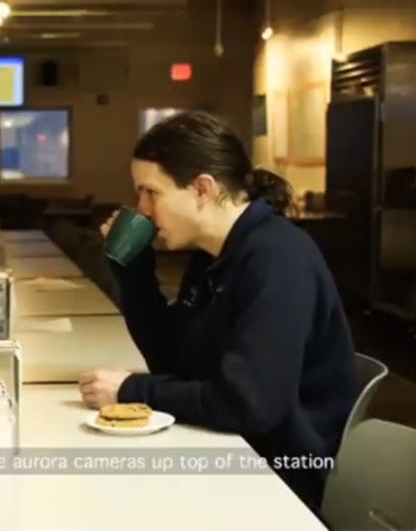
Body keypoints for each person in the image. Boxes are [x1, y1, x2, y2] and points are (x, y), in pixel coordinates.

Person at [78, 111, 358, 515]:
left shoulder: (276, 259)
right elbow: (172, 361)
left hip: (279, 475)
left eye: (150, 192)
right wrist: (133, 272)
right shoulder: (216, 254)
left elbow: (247, 404)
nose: (141, 210)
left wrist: (130, 391)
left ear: (202, 189)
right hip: (233, 447)